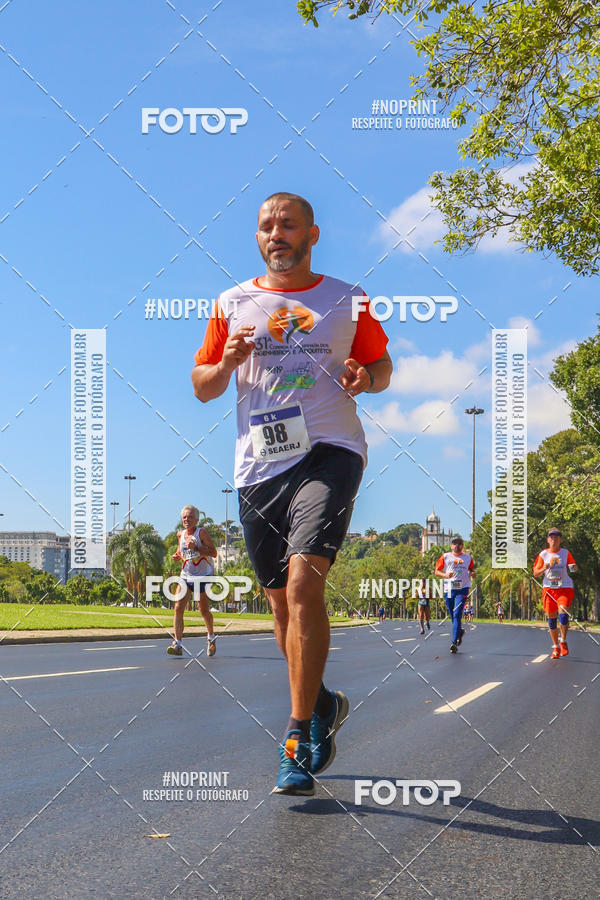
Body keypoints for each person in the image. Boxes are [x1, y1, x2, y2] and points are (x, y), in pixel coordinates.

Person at [192, 192, 392, 795]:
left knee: (306, 584)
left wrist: (368, 378)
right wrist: (225, 363)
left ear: (312, 233)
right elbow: (202, 386)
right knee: (281, 608)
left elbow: (381, 367)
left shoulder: (347, 299)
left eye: (286, 225)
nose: (274, 233)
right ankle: (323, 700)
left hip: (330, 450)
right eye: (265, 226)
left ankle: (298, 735)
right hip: (259, 467)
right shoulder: (233, 303)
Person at [169, 505, 218, 657]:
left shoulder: (201, 532)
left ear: (196, 519)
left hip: (203, 576)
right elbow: (180, 551)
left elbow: (214, 553)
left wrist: (197, 547)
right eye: (184, 517)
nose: (186, 519)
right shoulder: (180, 535)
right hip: (186, 575)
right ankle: (177, 644)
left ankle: (211, 637)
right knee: (178, 607)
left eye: (190, 517)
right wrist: (177, 556)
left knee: (203, 610)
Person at [532, 527, 578, 659]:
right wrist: (543, 568)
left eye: (556, 537)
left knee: (563, 615)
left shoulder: (565, 553)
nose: (554, 539)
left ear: (560, 540)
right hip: (549, 589)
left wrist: (574, 567)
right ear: (548, 540)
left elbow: (573, 567)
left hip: (564, 588)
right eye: (551, 537)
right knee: (551, 619)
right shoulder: (543, 555)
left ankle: (563, 640)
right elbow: (535, 573)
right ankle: (556, 646)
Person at [435, 536, 475, 653]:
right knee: (453, 616)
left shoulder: (468, 558)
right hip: (449, 589)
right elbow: (436, 571)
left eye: (459, 543)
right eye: (455, 543)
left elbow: (471, 569)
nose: (457, 545)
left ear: (462, 546)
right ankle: (460, 632)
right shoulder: (446, 557)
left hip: (462, 589)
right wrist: (445, 575)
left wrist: (473, 573)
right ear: (451, 546)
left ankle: (454, 642)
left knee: (457, 614)